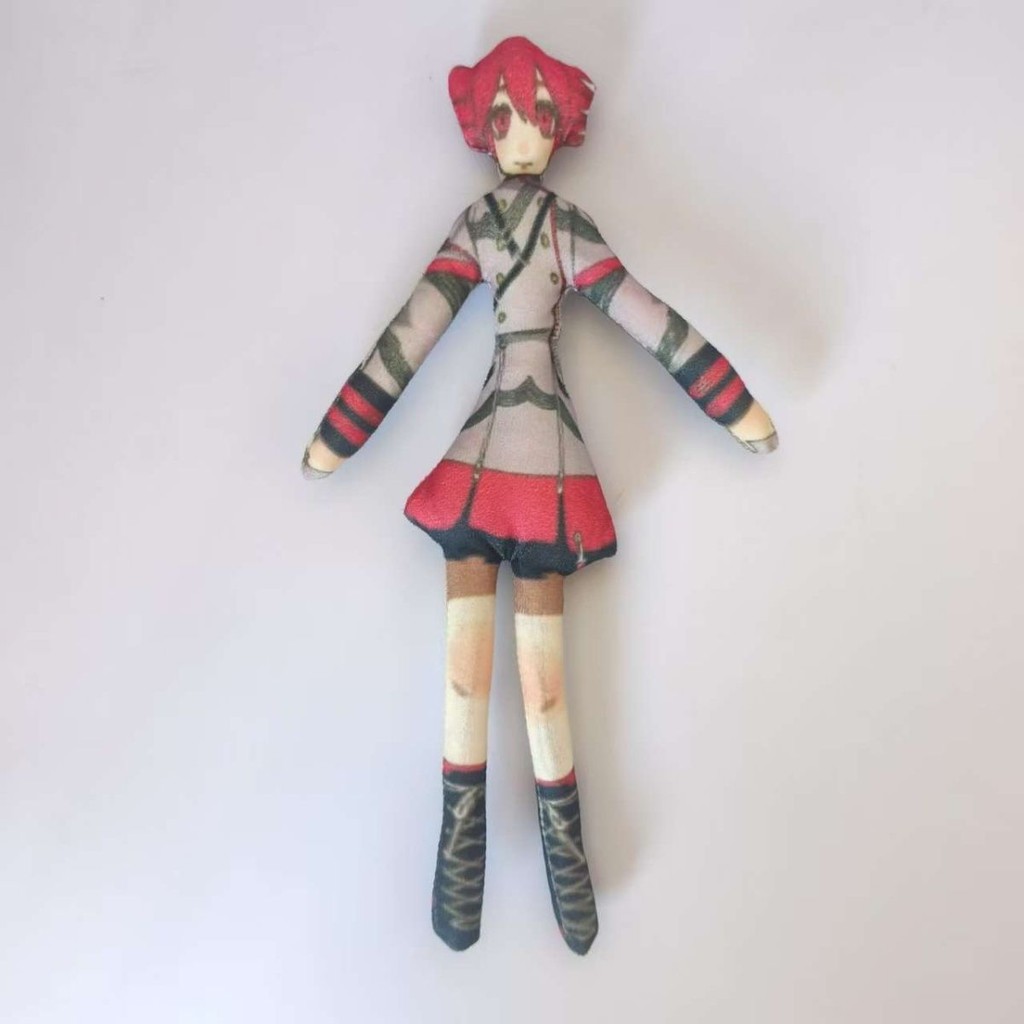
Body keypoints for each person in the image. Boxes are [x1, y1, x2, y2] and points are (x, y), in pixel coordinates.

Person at [302, 36, 778, 955]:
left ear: (563, 124)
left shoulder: (565, 228)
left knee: (541, 683)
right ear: (483, 125)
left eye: (541, 115)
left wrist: (732, 402)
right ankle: (459, 856)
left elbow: (644, 314)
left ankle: (566, 858)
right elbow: (411, 332)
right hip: (493, 458)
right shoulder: (479, 227)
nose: (524, 134)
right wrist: (341, 429)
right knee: (465, 677)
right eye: (507, 115)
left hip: (539, 462)